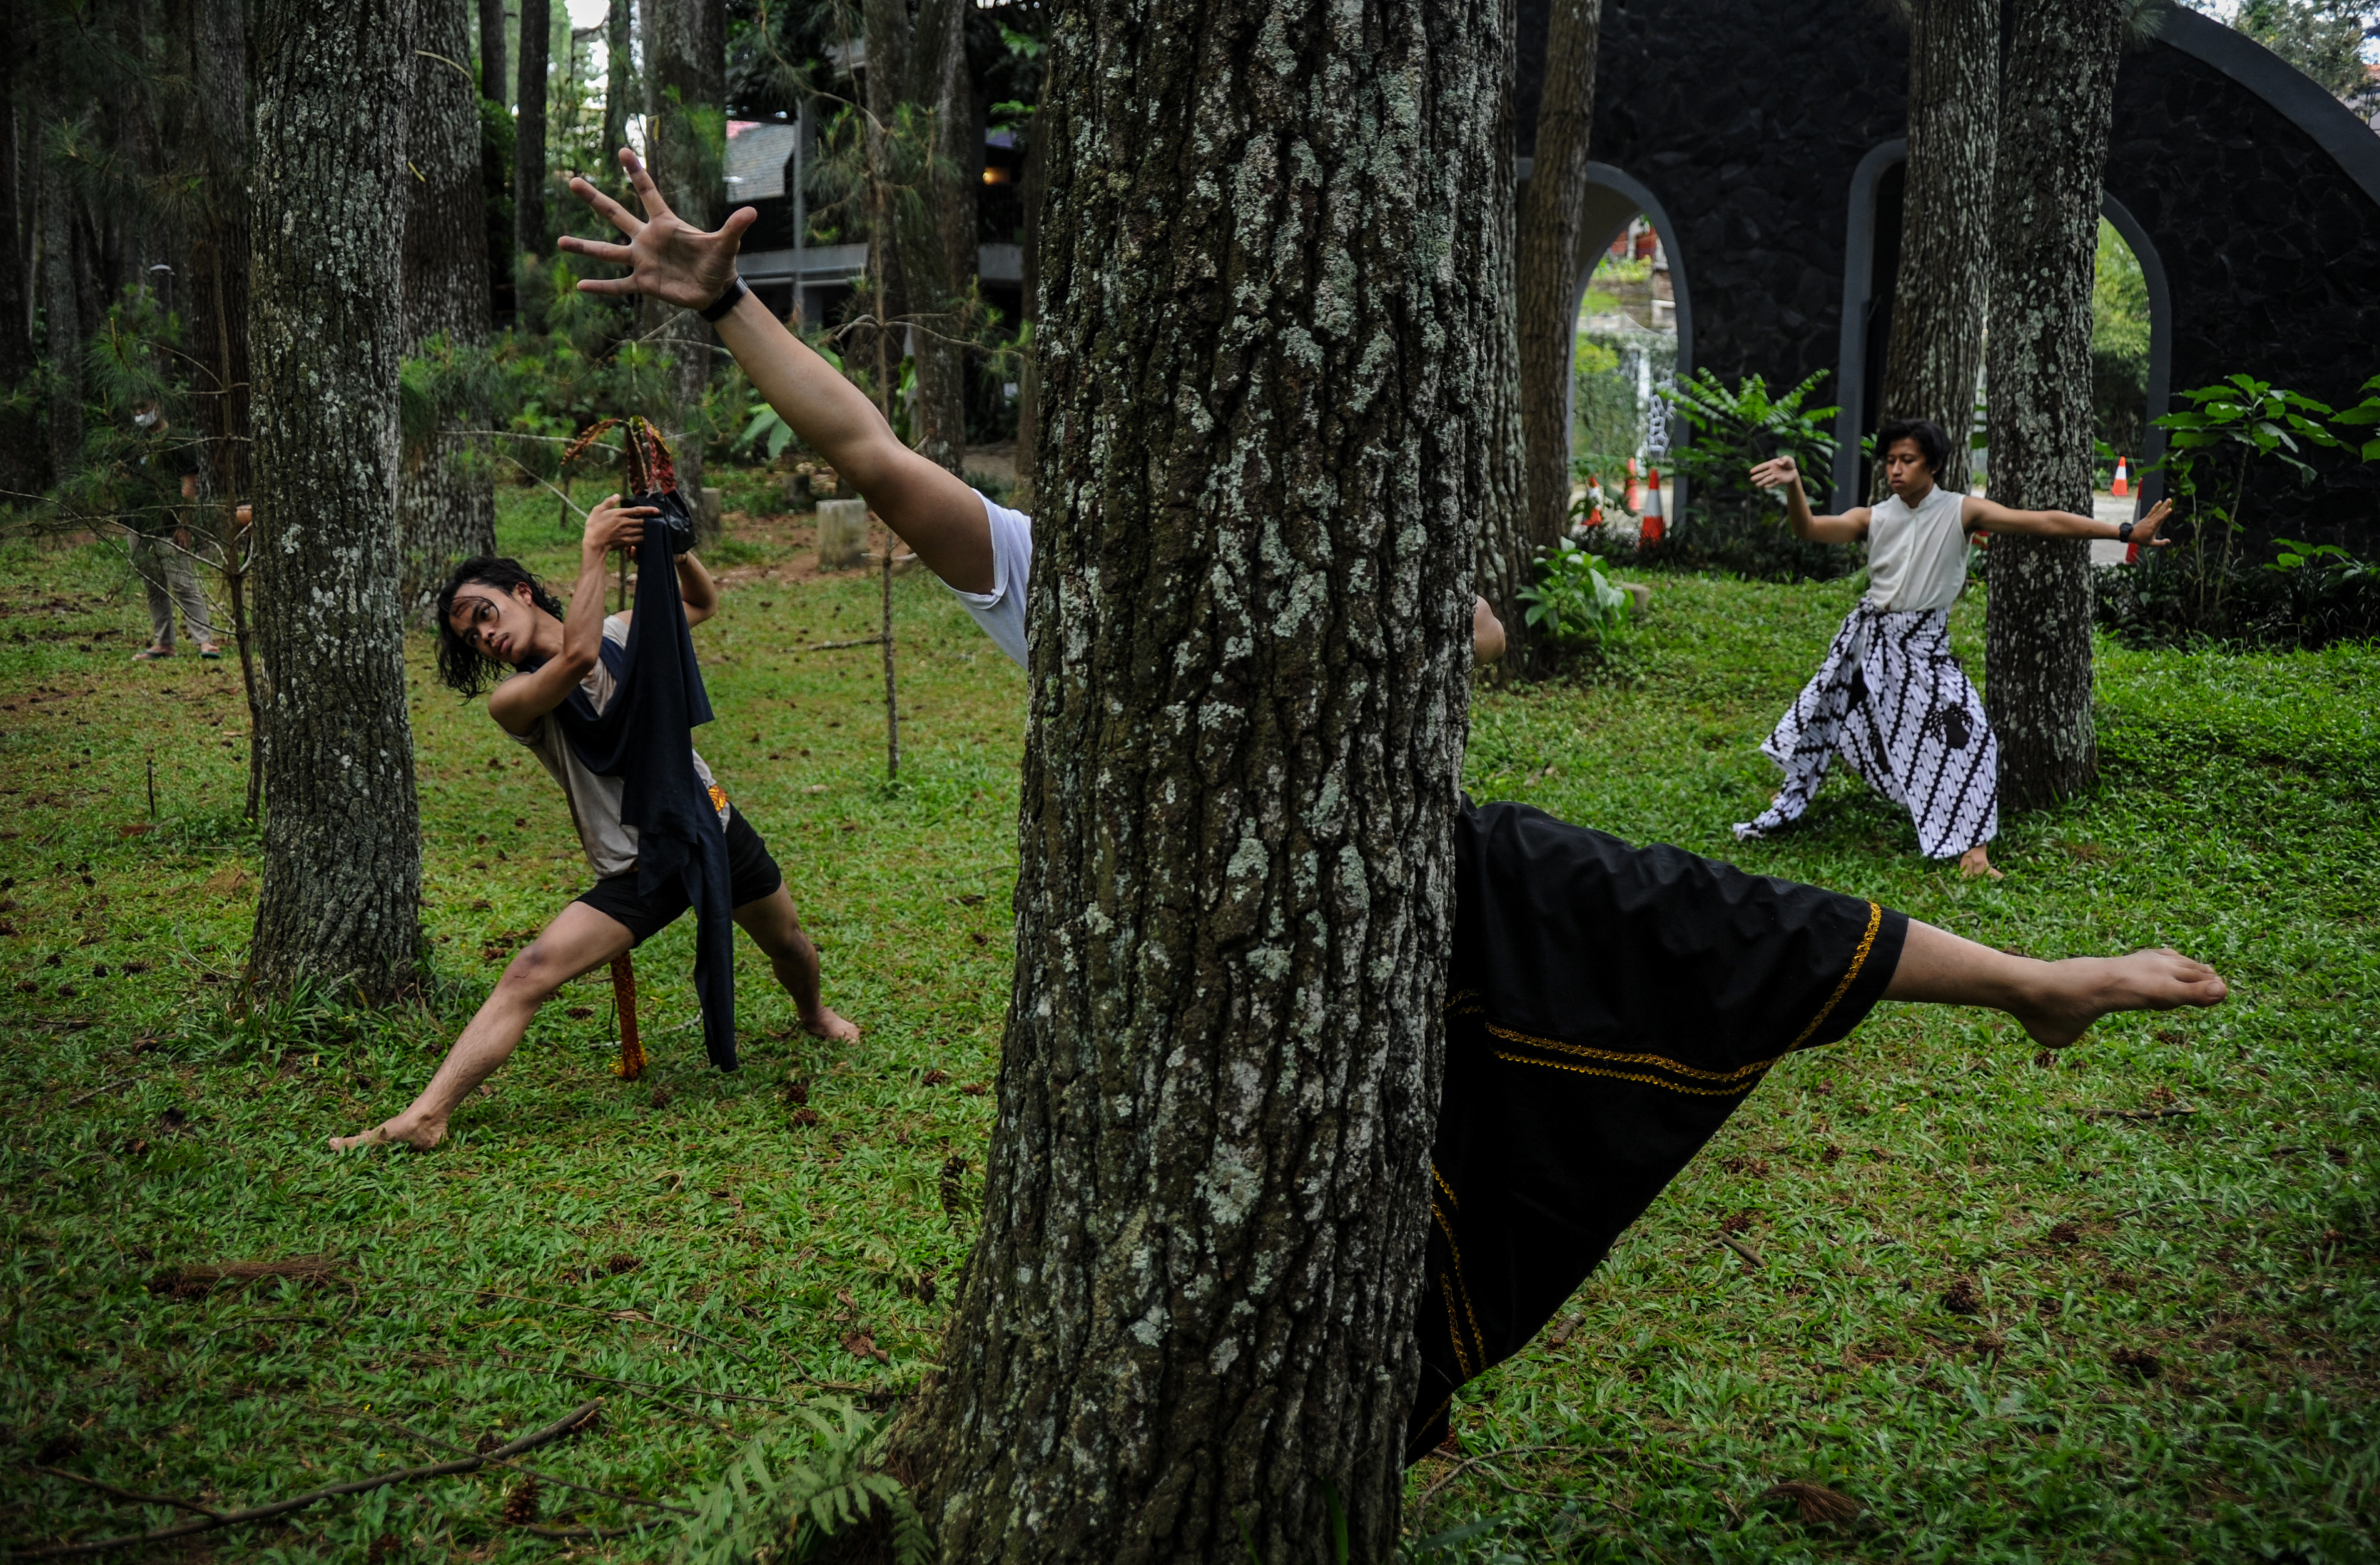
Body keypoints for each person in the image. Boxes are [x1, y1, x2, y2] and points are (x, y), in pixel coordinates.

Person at [558, 149, 2229, 1459]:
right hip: (1195, 961)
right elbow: (864, 444)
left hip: (1433, 886)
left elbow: (1485, 633)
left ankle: (2024, 981)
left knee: (1705, 915)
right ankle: (1367, 1421)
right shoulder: (1056, 581)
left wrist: (1431, 608)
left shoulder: (1339, 545)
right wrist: (728, 307)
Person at [330, 497, 859, 1153]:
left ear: (521, 592)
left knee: (789, 945)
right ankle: (427, 1114)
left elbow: (699, 604)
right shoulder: (516, 700)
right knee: (528, 972)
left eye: (485, 615)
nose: (484, 637)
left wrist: (672, 546)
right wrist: (594, 549)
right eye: (471, 637)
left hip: (708, 824)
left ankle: (813, 1014)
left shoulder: (618, 629)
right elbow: (576, 657)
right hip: (636, 866)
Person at [1734, 424, 2171, 878]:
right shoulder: (1874, 517)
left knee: (1975, 738)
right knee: (1831, 717)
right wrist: (1795, 486)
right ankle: (1796, 789)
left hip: (1926, 648)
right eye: (1891, 461)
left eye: (1908, 460)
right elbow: (1811, 529)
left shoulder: (1961, 511)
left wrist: (2125, 531)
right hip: (1873, 642)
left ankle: (1973, 853)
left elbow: (2043, 520)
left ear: (1935, 465)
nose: (1897, 470)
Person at [122, 400, 221, 662]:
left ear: (158, 404)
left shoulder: (178, 440)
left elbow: (188, 485)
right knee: (153, 585)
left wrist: (184, 524)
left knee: (183, 583)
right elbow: (127, 479)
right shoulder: (134, 442)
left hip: (169, 524)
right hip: (138, 523)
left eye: (144, 407)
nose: (140, 414)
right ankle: (164, 642)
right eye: (136, 410)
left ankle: (205, 641)